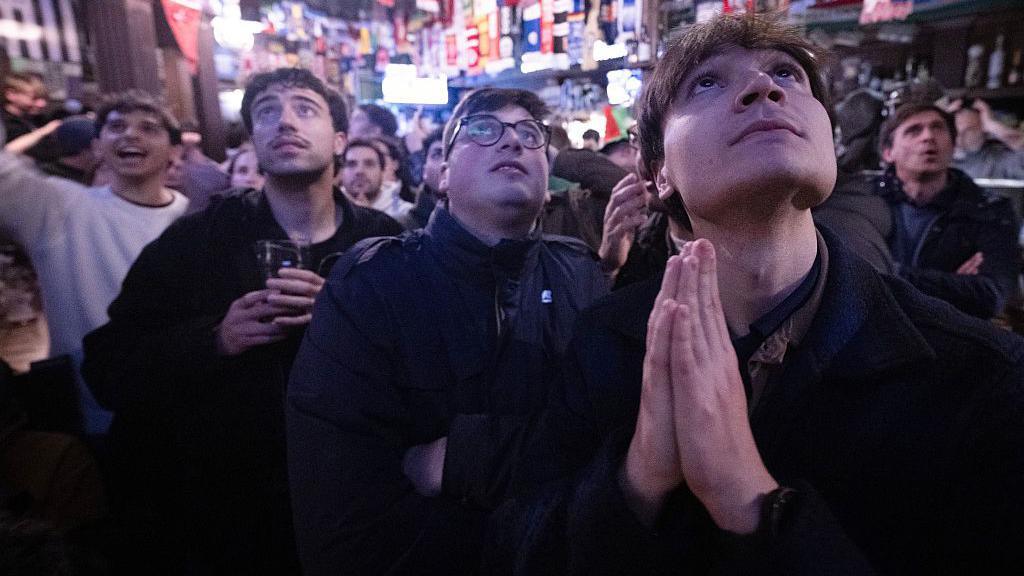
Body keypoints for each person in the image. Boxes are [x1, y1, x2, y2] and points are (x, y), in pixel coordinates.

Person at [486, 13, 1024, 575]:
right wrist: (638, 476)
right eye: (709, 82)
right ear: (657, 175)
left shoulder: (980, 375)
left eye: (789, 76)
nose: (764, 87)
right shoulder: (606, 339)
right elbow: (520, 548)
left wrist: (750, 501)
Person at [81, 68, 403, 574]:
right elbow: (107, 367)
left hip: (355, 506)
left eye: (305, 107)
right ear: (252, 138)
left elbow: (428, 372)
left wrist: (345, 324)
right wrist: (215, 339)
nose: (285, 121)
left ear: (340, 138)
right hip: (225, 520)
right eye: (267, 111)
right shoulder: (196, 242)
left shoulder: (383, 246)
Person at [287, 87, 609, 576]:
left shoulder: (581, 276)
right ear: (441, 174)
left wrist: (463, 458)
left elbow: (617, 453)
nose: (512, 143)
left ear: (549, 183)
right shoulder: (371, 287)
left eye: (530, 134)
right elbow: (343, 514)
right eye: (483, 129)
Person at [0, 90, 189, 436]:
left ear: (174, 151)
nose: (131, 134)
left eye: (149, 128)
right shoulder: (59, 209)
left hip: (179, 410)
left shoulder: (196, 218)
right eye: (116, 127)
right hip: (89, 418)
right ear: (98, 147)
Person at [877, 101, 1019, 319]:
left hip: (951, 341)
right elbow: (843, 277)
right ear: (888, 153)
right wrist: (952, 283)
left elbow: (992, 296)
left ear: (953, 146)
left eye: (938, 128)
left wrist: (888, 273)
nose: (928, 137)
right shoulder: (867, 201)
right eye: (914, 130)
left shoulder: (988, 209)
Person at [951, 98, 1024, 180]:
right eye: (953, 130)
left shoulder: (997, 158)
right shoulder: (939, 162)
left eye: (969, 131)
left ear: (985, 131)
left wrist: (993, 126)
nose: (958, 139)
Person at [409, 128, 445, 228]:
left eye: (454, 153)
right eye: (437, 154)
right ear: (424, 169)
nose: (445, 162)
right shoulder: (401, 227)